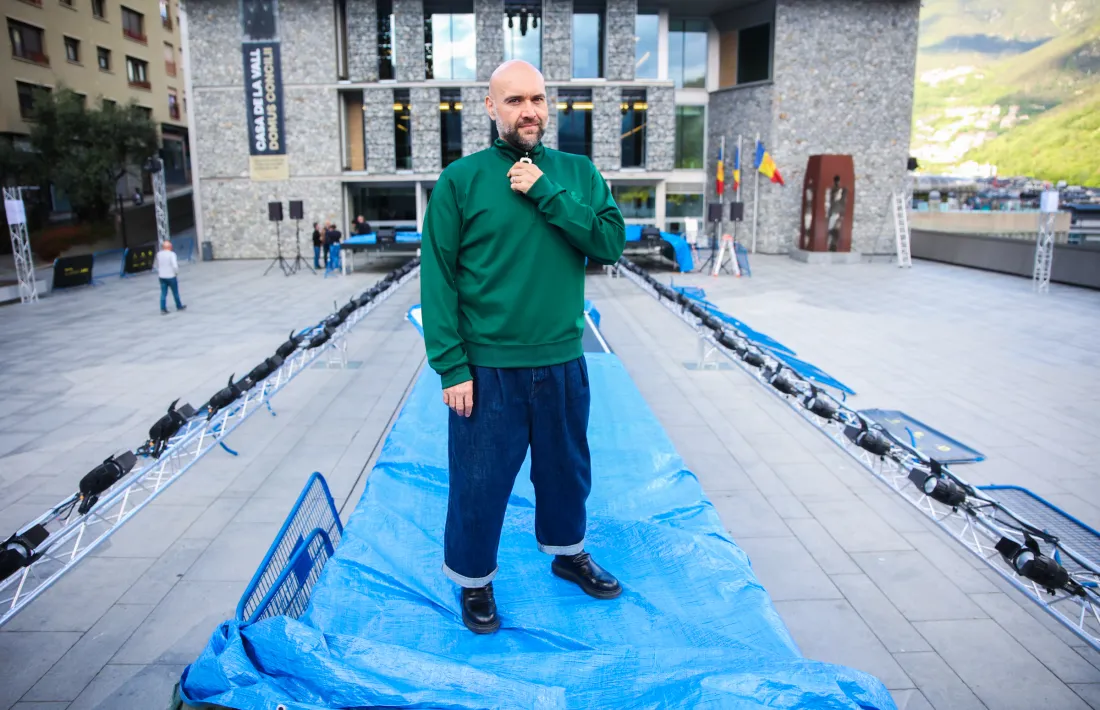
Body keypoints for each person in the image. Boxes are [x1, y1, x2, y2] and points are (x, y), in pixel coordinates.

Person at [420, 59, 626, 634]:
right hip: (488, 370)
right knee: (479, 481)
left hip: (562, 359)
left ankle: (567, 553)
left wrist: (548, 192)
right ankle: (474, 580)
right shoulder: (461, 181)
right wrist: (451, 367)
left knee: (566, 472)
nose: (529, 111)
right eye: (514, 101)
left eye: (536, 99)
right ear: (490, 108)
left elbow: (610, 244)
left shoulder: (577, 172)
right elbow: (438, 280)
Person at [153, 240, 186, 314]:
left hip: (162, 276)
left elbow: (155, 265)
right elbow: (174, 265)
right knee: (175, 292)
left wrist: (160, 271)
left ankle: (163, 308)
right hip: (171, 276)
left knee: (163, 293)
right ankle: (179, 306)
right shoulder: (172, 254)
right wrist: (176, 272)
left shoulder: (159, 254)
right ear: (169, 247)